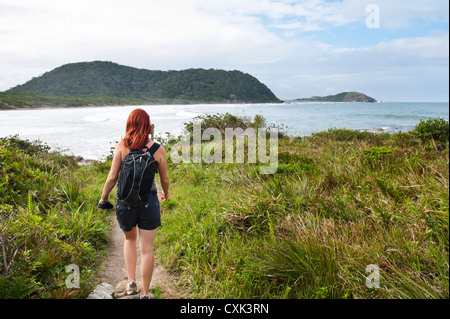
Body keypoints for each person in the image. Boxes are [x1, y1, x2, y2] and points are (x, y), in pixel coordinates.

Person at [98, 108, 170, 299]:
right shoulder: (157, 149)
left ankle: (131, 284)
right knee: (147, 250)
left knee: (130, 240)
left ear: (129, 124)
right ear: (147, 125)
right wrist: (166, 193)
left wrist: (104, 198)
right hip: (150, 204)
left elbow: (112, 177)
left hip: (125, 204)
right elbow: (165, 179)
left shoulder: (122, 146)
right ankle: (145, 293)